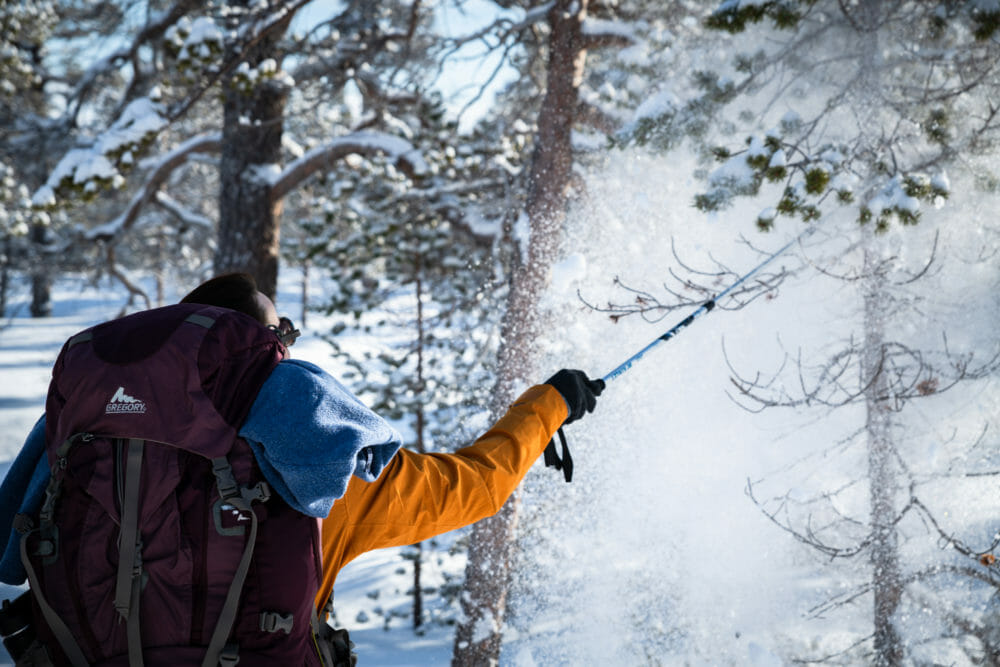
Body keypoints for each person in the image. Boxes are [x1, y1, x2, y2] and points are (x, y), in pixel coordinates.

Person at [0, 273, 604, 663]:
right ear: (261, 346)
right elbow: (473, 487)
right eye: (281, 332)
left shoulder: (77, 437)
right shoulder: (311, 453)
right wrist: (550, 404)